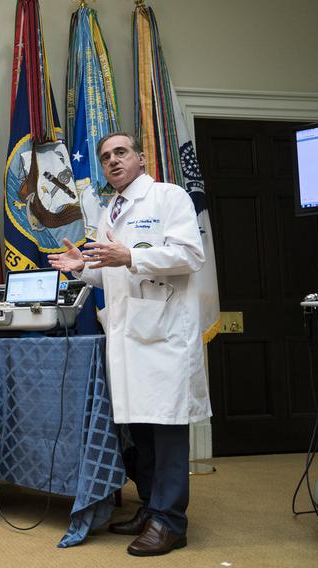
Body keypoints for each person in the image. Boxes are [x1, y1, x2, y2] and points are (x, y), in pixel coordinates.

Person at [48, 132, 210, 557]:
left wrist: (132, 257)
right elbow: (113, 273)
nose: (112, 162)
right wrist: (84, 267)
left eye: (121, 153)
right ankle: (152, 507)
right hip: (128, 336)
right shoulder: (111, 210)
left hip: (163, 334)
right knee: (140, 429)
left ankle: (171, 522)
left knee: (167, 427)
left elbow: (190, 256)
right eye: (105, 157)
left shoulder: (168, 197)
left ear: (140, 157)